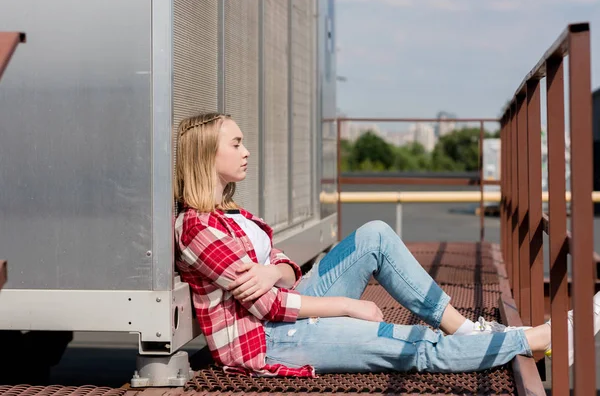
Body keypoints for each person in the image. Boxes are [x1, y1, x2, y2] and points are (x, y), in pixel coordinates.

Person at [173, 112, 600, 377]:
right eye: (236, 143)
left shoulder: (233, 213)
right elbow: (266, 307)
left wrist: (273, 271)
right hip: (267, 339)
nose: (246, 151)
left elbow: (286, 266)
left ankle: (465, 330)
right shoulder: (196, 228)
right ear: (207, 154)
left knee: (374, 232)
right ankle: (539, 338)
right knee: (413, 346)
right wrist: (348, 306)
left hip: (288, 308)